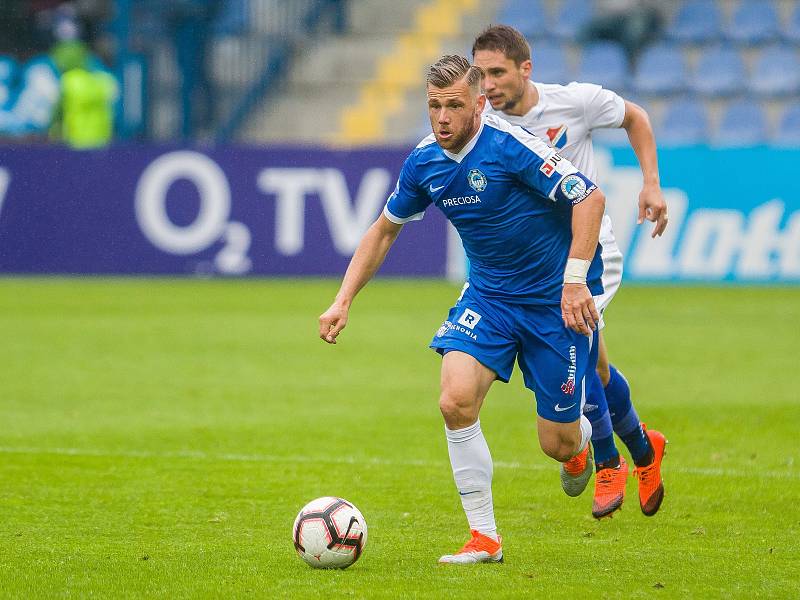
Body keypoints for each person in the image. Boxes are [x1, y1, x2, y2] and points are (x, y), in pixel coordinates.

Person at [320, 54, 606, 564]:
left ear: (478, 104)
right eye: (434, 106)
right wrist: (343, 300)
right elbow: (384, 230)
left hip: (551, 303)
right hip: (488, 299)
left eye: (454, 105)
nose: (443, 117)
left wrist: (575, 280)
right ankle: (485, 538)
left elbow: (589, 199)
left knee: (557, 445)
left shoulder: (511, 146)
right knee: (454, 400)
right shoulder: (424, 161)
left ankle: (580, 439)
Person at [472, 24, 667, 519]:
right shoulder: (481, 124)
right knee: (596, 365)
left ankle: (606, 462)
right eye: (481, 74)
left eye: (497, 72)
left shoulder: (574, 102)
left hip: (588, 255)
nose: (488, 84)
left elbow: (636, 118)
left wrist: (651, 184)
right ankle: (644, 451)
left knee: (574, 345)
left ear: (525, 68)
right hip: (529, 266)